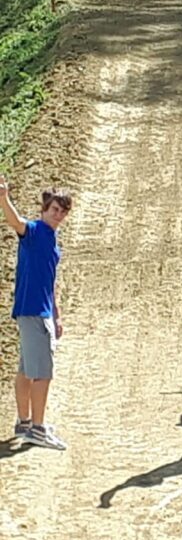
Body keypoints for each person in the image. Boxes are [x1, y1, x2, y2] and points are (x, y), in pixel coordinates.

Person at [1, 176, 71, 450]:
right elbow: (15, 222)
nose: (59, 214)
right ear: (44, 209)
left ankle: (24, 423)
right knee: (42, 373)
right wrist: (4, 198)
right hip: (33, 312)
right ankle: (38, 429)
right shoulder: (34, 231)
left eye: (63, 210)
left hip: (38, 311)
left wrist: (56, 313)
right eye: (55, 209)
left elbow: (50, 281)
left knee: (26, 370)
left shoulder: (53, 241)